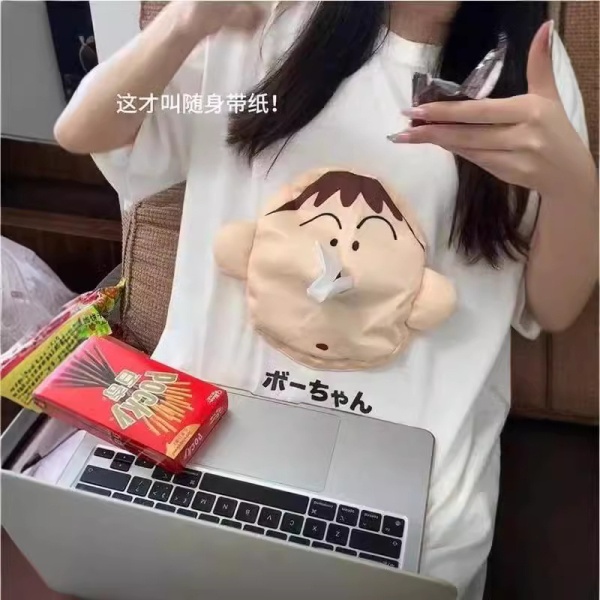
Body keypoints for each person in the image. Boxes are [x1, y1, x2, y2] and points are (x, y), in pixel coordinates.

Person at [54, 2, 598, 598]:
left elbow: (553, 307)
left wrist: (573, 183)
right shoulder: (265, 22)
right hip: (193, 443)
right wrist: (185, 23)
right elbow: (85, 130)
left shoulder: (526, 66)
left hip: (408, 493)